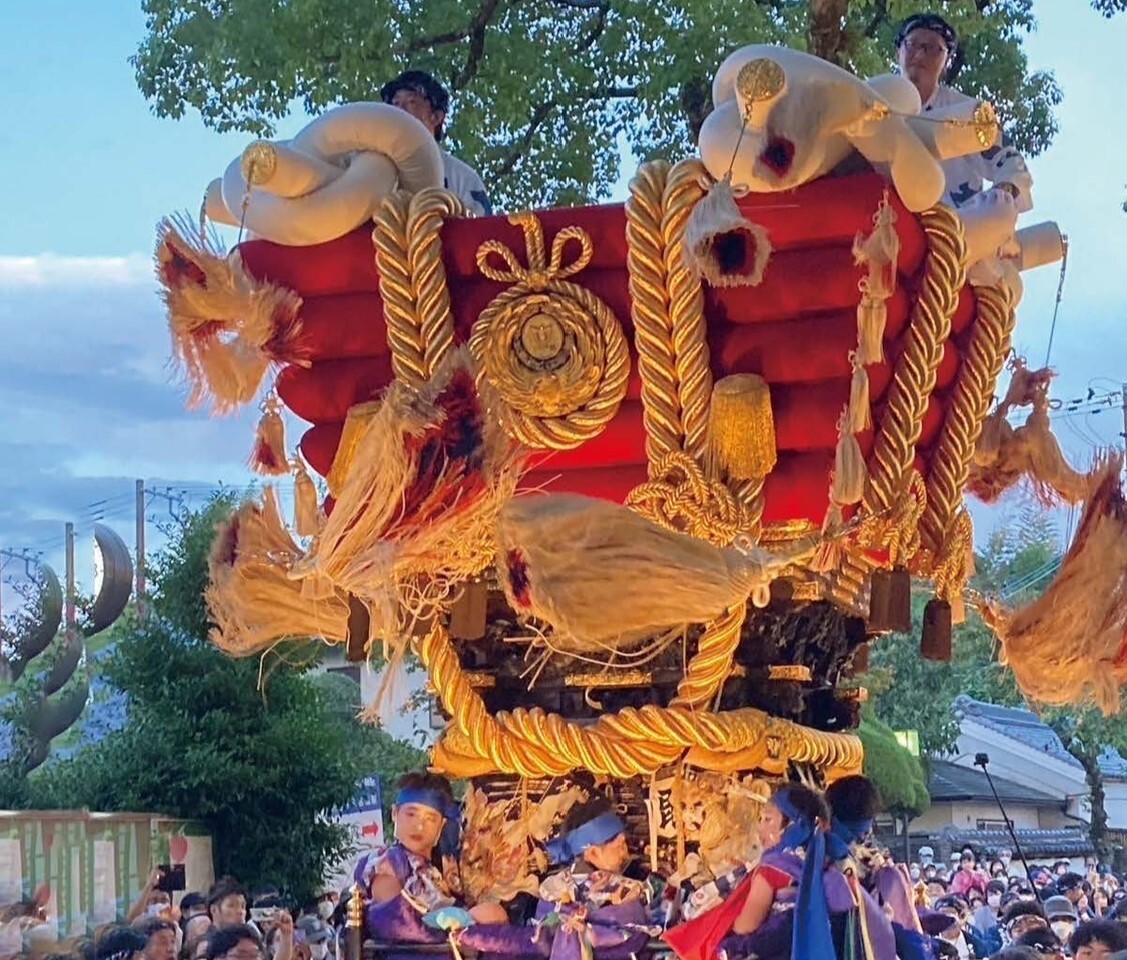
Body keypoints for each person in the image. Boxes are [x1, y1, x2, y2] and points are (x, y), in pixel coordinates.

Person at [380, 70, 492, 216]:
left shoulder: (461, 177)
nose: (400, 110)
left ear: (436, 116)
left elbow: (480, 234)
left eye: (411, 102)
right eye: (395, 103)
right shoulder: (375, 169)